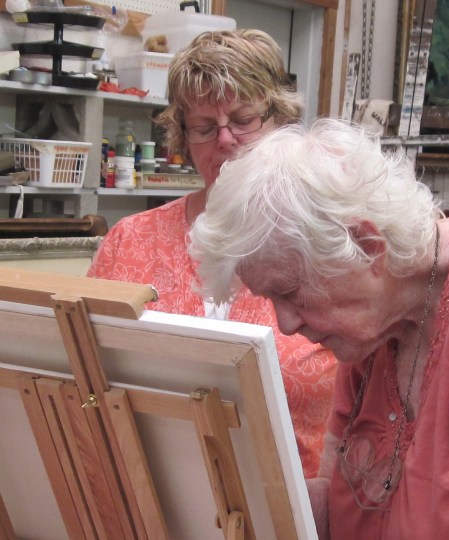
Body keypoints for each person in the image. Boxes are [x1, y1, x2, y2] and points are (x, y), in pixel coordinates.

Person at [188, 118, 449, 539]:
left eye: (291, 292)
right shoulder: (376, 325)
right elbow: (341, 507)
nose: (285, 324)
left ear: (367, 247)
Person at [88, 29, 337, 479]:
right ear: (183, 138)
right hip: (155, 498)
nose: (225, 140)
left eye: (243, 120)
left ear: (278, 119)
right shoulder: (129, 242)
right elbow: (88, 375)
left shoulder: (328, 243)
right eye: (204, 127)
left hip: (297, 507)